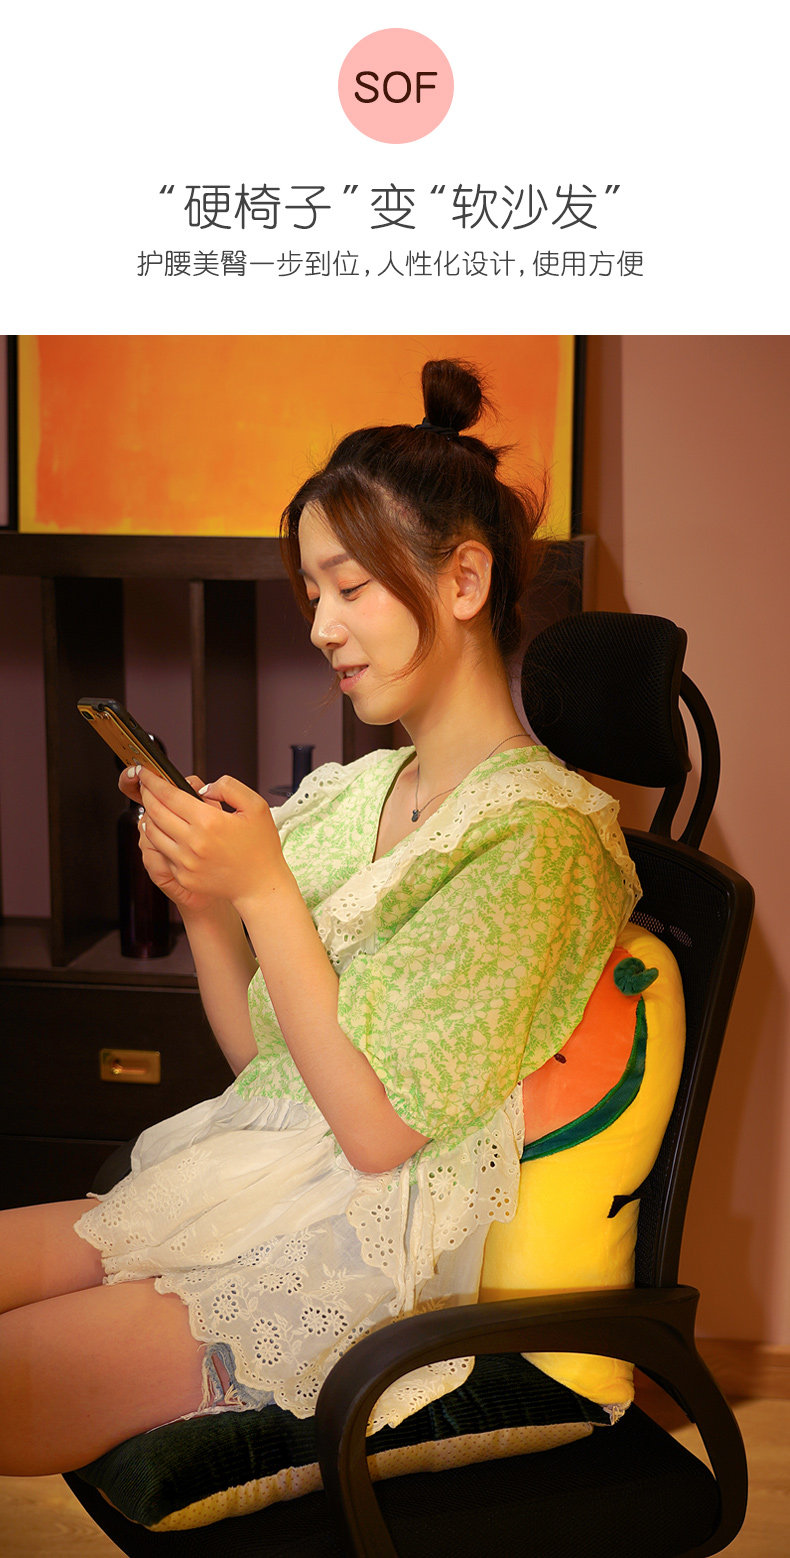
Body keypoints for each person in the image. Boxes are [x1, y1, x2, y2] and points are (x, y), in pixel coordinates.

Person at [0, 359, 640, 1476]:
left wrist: (261, 892)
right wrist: (208, 910)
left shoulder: (542, 841)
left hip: (354, 1253)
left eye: (350, 587)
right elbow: (271, 1070)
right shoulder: (356, 794)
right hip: (248, 1174)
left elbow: (376, 1134)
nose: (321, 627)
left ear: (464, 579)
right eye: (312, 594)